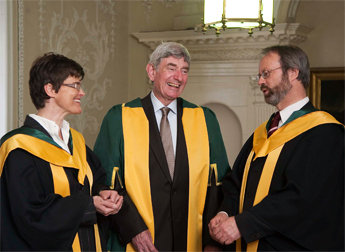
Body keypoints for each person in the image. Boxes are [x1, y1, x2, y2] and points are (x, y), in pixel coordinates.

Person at [94, 42, 231, 252]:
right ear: (151, 71)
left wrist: (212, 242)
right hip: (139, 242)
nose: (178, 77)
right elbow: (104, 183)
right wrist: (133, 230)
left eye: (184, 70)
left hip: (191, 242)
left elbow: (219, 186)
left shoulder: (204, 119)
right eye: (171, 68)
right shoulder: (120, 117)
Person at [209, 45, 344, 251]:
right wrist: (225, 213)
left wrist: (244, 224)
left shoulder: (324, 132)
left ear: (293, 73)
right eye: (259, 75)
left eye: (266, 73)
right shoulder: (263, 132)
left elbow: (304, 197)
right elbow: (235, 182)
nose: (260, 81)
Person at [0, 52, 123, 251]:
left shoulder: (76, 142)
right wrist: (89, 205)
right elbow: (29, 213)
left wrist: (103, 192)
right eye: (75, 85)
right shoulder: (19, 148)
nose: (81, 92)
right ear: (50, 89)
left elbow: (95, 179)